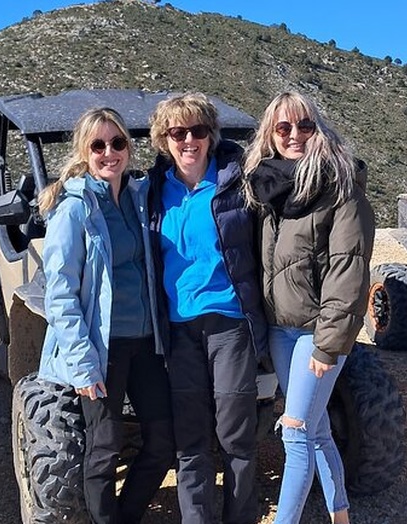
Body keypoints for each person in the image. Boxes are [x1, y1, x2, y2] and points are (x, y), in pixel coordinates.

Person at [37, 107, 175, 524]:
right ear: (85, 151)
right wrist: (82, 362)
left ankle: (126, 515)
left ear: (128, 149)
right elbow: (60, 292)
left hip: (145, 341)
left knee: (163, 441)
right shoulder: (74, 208)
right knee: (104, 445)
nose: (109, 152)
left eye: (117, 143)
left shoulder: (135, 197)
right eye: (98, 145)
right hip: (101, 347)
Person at [243, 92, 375, 524]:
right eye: (284, 128)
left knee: (296, 431)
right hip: (281, 331)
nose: (295, 135)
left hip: (316, 334)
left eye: (304, 125)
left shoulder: (341, 190)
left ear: (318, 129)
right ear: (271, 134)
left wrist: (328, 345)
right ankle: (340, 514)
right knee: (315, 430)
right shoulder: (268, 190)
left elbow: (348, 272)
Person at [146, 92, 268, 524]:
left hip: (230, 323)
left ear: (211, 135)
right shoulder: (152, 192)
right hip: (179, 329)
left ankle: (241, 517)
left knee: (236, 433)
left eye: (198, 130)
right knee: (190, 438)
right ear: (164, 139)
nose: (189, 140)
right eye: (178, 132)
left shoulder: (238, 182)